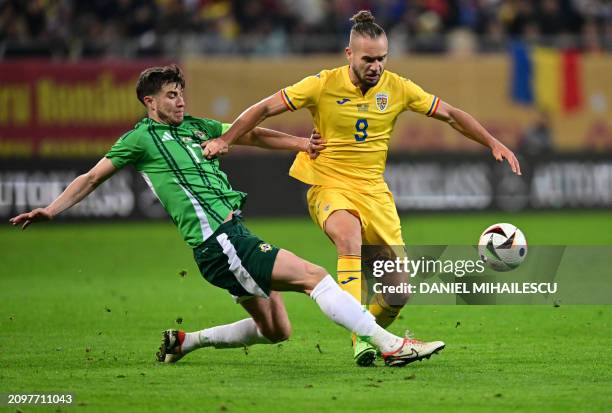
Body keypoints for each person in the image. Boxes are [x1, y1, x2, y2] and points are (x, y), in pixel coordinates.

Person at [9, 64, 445, 367]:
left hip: (227, 239)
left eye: (182, 93)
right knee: (314, 275)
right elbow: (91, 177)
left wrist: (299, 144)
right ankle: (387, 344)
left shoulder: (196, 126)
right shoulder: (139, 140)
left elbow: (251, 133)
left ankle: (186, 342)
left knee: (277, 330)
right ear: (149, 101)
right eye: (170, 96)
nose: (179, 101)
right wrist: (51, 208)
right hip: (220, 241)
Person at [202, 10, 522, 366]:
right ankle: (366, 334)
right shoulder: (321, 84)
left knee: (398, 291)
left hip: (374, 194)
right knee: (347, 236)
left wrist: (493, 142)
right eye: (368, 59)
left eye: (382, 58)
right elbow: (263, 109)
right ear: (349, 54)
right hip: (328, 184)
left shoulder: (398, 88)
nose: (376, 66)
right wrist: (227, 139)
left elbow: (450, 114)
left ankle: (363, 337)